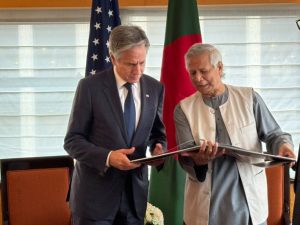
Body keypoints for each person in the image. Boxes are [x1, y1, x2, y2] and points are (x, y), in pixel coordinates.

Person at [174, 43, 295, 225]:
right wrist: (198, 160)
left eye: (204, 71)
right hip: (205, 208)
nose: (198, 78)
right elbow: (185, 156)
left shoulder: (249, 98)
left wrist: (284, 146)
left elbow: (274, 135)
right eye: (192, 73)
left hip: (248, 206)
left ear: (219, 67)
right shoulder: (183, 109)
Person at [64, 25, 166, 225]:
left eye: (142, 62)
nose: (138, 70)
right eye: (130, 64)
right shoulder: (90, 87)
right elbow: (72, 141)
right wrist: (109, 157)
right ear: (113, 58)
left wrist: (159, 149)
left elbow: (158, 134)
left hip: (135, 198)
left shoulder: (155, 88)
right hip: (94, 200)